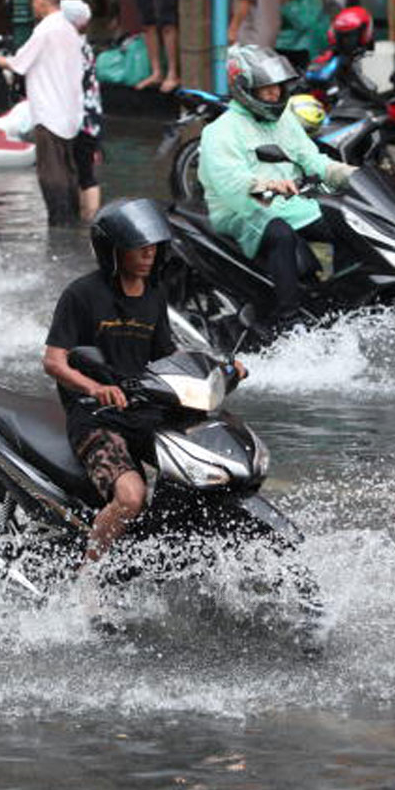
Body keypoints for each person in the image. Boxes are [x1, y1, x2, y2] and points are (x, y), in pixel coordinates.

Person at [42, 199, 244, 571]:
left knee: (205, 472)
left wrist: (218, 366)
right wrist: (93, 388)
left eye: (154, 246)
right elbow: (53, 361)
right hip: (97, 417)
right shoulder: (81, 294)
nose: (149, 254)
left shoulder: (153, 296)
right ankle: (88, 579)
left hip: (144, 411)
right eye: (140, 246)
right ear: (113, 250)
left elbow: (167, 353)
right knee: (132, 497)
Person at [197, 45, 357, 329]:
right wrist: (267, 185)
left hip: (290, 204)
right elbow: (232, 185)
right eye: (266, 89)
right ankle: (289, 321)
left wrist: (346, 174)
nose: (275, 94)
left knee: (347, 222)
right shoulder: (220, 131)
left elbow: (310, 158)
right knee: (280, 234)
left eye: (279, 87)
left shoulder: (283, 121)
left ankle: (345, 301)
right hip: (242, 210)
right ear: (245, 89)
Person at [0, 0, 83, 226]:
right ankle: (72, 217)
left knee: (50, 169)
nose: (33, 4)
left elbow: (19, 63)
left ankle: (60, 220)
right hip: (70, 110)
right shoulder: (68, 29)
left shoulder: (45, 30)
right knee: (67, 166)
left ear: (42, 1)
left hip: (49, 109)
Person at [60, 0, 104, 222]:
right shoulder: (81, 45)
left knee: (85, 172)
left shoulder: (74, 47)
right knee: (82, 170)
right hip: (90, 117)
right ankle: (86, 218)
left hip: (83, 118)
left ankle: (91, 220)